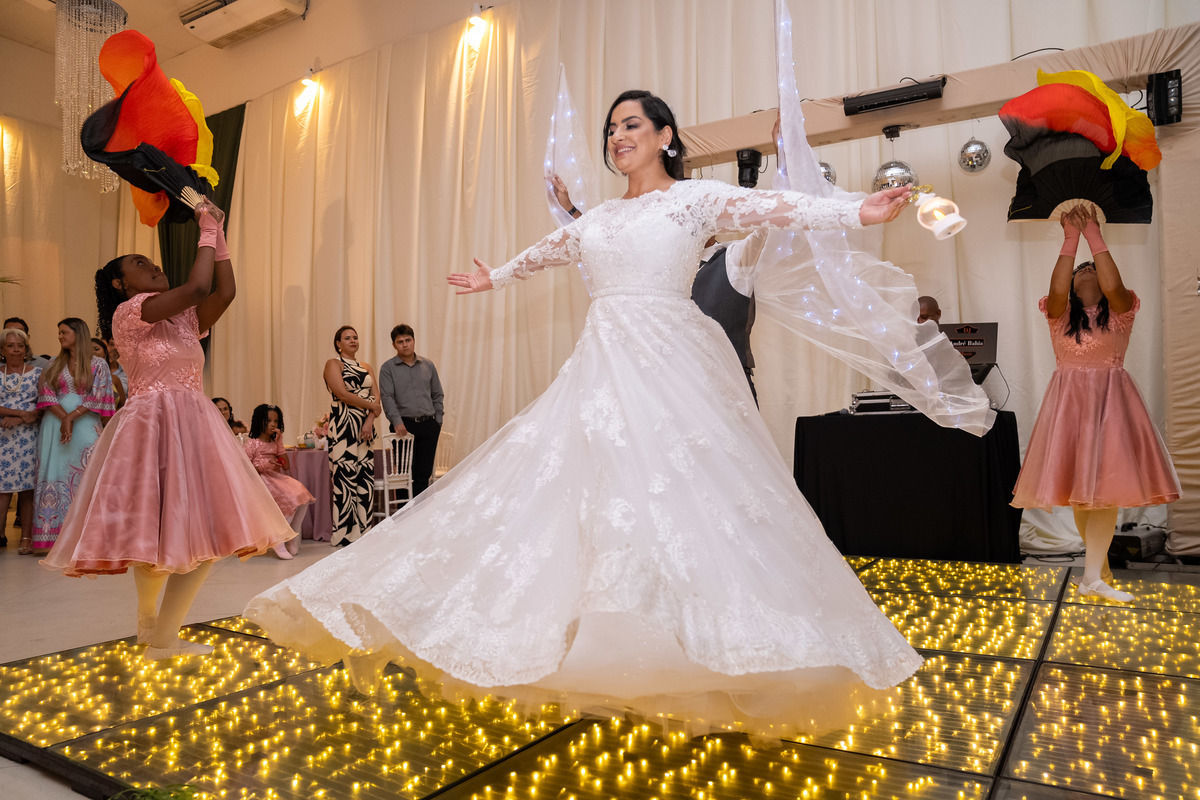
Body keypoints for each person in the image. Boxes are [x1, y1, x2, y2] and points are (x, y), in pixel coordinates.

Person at [248, 90, 919, 737]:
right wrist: (495, 276)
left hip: (674, 363)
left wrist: (859, 210)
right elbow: (547, 252)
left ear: (664, 136)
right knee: (588, 491)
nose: (618, 137)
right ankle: (586, 633)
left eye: (632, 125)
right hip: (603, 366)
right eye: (611, 129)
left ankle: (712, 637)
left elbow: (776, 207)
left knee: (687, 493)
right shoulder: (596, 219)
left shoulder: (694, 199)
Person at [42, 200, 295, 660]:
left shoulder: (182, 319)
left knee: (188, 533)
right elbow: (198, 285)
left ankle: (153, 630)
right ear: (120, 284)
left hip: (192, 425)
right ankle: (157, 634)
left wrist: (218, 234)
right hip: (152, 425)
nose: (154, 265)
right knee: (164, 533)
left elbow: (224, 291)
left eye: (152, 260)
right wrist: (205, 228)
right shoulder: (129, 312)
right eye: (140, 264)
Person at [1012, 206, 1179, 602]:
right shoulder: (1059, 314)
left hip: (1110, 403)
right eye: (1080, 269)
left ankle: (1091, 577)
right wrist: (1069, 239)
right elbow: (1056, 291)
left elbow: (1115, 286)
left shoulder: (1120, 312)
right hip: (1069, 405)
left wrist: (1093, 235)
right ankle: (1095, 572)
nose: (1087, 269)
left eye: (1093, 268)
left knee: (1104, 486)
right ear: (1072, 284)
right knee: (1080, 490)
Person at [553, 176, 767, 399]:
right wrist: (570, 209)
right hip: (671, 392)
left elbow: (767, 226)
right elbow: (608, 247)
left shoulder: (735, 258)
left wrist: (784, 166)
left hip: (728, 391)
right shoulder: (660, 266)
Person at [32, 318, 115, 553]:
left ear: (78, 334)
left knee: (88, 472)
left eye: (64, 332)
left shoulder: (98, 364)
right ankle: (51, 535)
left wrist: (71, 418)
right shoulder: (54, 363)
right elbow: (46, 393)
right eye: (59, 332)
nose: (59, 336)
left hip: (85, 423)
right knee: (54, 472)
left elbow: (98, 395)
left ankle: (87, 536)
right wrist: (63, 418)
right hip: (53, 424)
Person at [324, 326, 380, 545]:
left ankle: (364, 532)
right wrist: (371, 406)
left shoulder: (366, 366)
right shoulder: (333, 363)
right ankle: (344, 534)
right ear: (338, 343)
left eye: (355, 337)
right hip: (343, 427)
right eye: (347, 338)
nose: (353, 340)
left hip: (365, 429)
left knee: (364, 478)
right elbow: (342, 394)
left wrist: (369, 420)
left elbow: (377, 399)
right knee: (344, 479)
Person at [378, 324, 444, 496]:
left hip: (428, 425)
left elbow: (437, 394)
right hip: (404, 427)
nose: (405, 344)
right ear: (394, 345)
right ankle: (404, 512)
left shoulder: (428, 365)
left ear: (414, 340)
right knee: (404, 474)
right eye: (400, 342)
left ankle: (421, 511)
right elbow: (387, 397)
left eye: (408, 340)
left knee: (423, 474)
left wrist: (437, 421)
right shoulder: (387, 368)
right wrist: (397, 422)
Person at [245, 404, 314, 560]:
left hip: (274, 478)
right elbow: (243, 470)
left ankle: (292, 535)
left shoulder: (274, 442)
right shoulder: (252, 443)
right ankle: (279, 538)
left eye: (276, 421)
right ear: (259, 421)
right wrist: (262, 466)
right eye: (268, 420)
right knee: (290, 496)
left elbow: (286, 466)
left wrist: (279, 443)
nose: (273, 424)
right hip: (259, 481)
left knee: (302, 494)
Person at [0, 327, 42, 553]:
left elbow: (45, 404)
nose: (16, 349)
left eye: (20, 345)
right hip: (2, 437)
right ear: (2, 350)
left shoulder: (38, 373)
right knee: (2, 488)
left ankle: (26, 537)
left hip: (28, 437)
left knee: (27, 488)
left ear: (26, 349)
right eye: (10, 345)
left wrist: (22, 419)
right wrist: (18, 414)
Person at [92, 338, 127, 410]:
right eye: (111, 344)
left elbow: (122, 405)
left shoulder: (115, 379)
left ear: (105, 353)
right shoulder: (78, 378)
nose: (92, 353)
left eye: (96, 349)